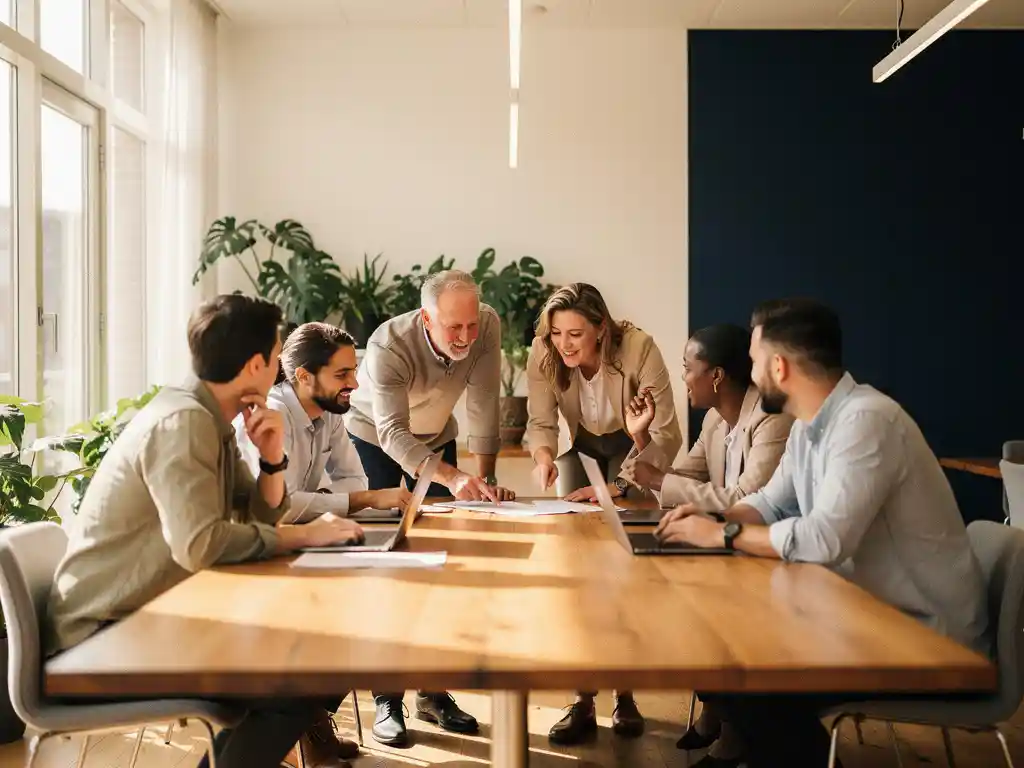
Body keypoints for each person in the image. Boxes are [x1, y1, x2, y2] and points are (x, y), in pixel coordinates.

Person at [655, 298, 990, 768]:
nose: (749, 375)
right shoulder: (810, 426)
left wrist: (724, 536)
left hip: (924, 638)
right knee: (725, 654)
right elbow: (771, 502)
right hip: (865, 617)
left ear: (778, 365)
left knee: (756, 682)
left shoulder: (867, 420)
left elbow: (827, 539)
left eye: (753, 362)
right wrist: (708, 520)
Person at [45, 295, 367, 768]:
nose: (279, 369)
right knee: (293, 680)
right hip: (103, 636)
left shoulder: (208, 416)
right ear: (256, 363)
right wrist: (302, 536)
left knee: (313, 653)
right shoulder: (184, 422)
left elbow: (257, 520)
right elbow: (200, 546)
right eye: (277, 359)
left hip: (147, 616)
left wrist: (272, 457)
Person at [345, 269, 513, 746]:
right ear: (425, 318)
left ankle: (433, 693)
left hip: (439, 438)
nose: (465, 337)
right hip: (374, 439)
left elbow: (483, 402)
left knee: (447, 566)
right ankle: (387, 697)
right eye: (453, 327)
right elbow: (393, 432)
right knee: (390, 564)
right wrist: (453, 477)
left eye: (471, 326)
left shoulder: (486, 325)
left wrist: (487, 479)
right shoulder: (387, 347)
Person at [621, 323, 793, 767]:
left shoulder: (771, 420)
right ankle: (720, 712)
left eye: (687, 369)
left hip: (768, 558)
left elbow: (746, 500)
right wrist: (641, 438)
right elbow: (684, 479)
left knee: (705, 612)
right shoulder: (716, 419)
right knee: (677, 597)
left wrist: (663, 479)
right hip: (728, 550)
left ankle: (734, 727)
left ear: (715, 376)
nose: (683, 378)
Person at [525, 282, 682, 745]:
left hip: (636, 448)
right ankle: (582, 699)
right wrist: (543, 457)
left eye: (575, 334)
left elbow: (667, 432)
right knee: (579, 574)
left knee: (622, 572)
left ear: (601, 328)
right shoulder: (543, 352)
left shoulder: (639, 348)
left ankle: (626, 695)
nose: (564, 344)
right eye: (556, 334)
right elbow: (540, 420)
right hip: (584, 446)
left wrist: (618, 486)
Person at [236, 321, 412, 522]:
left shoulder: (329, 411)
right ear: (304, 377)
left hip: (296, 531)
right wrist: (366, 499)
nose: (354, 384)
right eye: (342, 375)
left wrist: (316, 500)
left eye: (353, 372)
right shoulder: (272, 415)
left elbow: (357, 480)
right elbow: (279, 508)